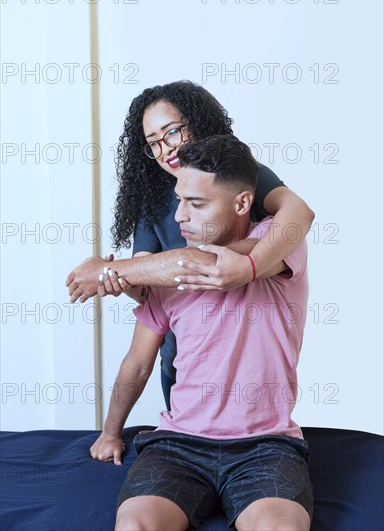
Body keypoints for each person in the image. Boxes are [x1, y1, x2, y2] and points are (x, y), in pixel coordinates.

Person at [90, 135, 313, 531]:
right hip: (179, 446)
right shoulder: (166, 278)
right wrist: (110, 433)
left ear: (242, 203)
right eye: (179, 200)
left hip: (265, 447)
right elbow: (138, 364)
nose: (179, 217)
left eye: (196, 203)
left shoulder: (278, 247)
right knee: (135, 526)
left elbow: (202, 261)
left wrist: (112, 270)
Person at [66, 80, 315, 409]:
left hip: (247, 360)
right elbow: (145, 290)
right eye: (152, 143)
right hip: (181, 358)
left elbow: (299, 212)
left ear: (198, 123)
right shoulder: (151, 201)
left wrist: (248, 266)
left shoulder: (238, 175)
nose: (165, 149)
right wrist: (118, 280)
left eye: (171, 132)